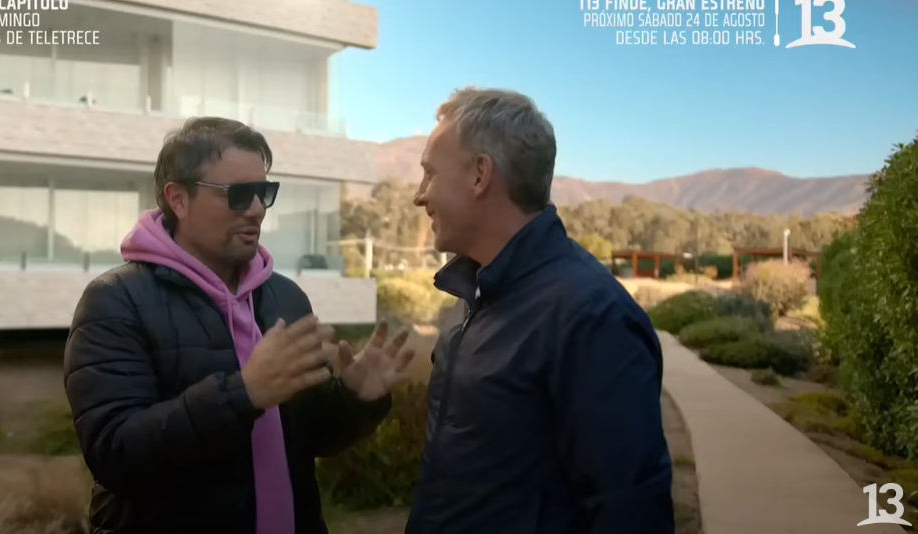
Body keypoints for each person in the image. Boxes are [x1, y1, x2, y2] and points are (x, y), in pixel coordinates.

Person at [63, 116, 415, 534]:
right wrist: (241, 394)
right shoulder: (115, 301)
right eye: (239, 194)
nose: (257, 209)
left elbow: (311, 437)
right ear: (178, 199)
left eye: (264, 193)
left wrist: (354, 399)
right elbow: (114, 454)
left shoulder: (285, 298)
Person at [404, 88, 675, 534]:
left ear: (480, 175)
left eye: (430, 173)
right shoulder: (474, 296)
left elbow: (629, 510)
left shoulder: (592, 318)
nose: (420, 195)